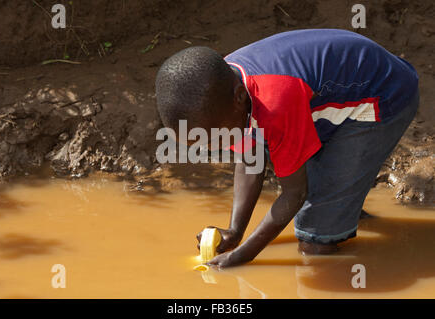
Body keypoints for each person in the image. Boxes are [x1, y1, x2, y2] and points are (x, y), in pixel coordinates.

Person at [155, 29, 419, 268]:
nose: (213, 148)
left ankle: (341, 228)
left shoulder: (273, 101)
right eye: (202, 141)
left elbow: (295, 193)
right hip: (328, 98)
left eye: (215, 138)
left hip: (382, 98)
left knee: (313, 241)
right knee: (326, 196)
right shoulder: (224, 89)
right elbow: (251, 158)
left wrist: (244, 254)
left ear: (239, 98)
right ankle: (342, 209)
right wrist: (235, 231)